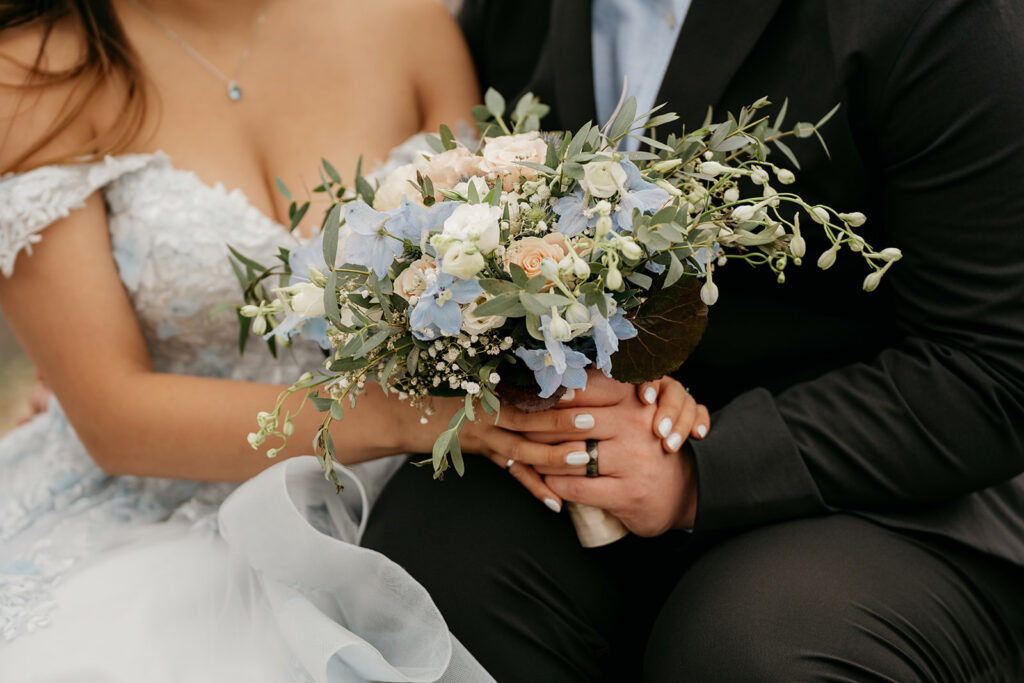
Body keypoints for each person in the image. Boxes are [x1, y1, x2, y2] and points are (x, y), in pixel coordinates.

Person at [0, 1, 710, 679]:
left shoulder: (413, 23)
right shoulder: (30, 77)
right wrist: (424, 420)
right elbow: (115, 415)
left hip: (416, 497)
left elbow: (498, 268)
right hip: (158, 513)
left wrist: (617, 379)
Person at [362, 0, 1024, 680]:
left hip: (888, 490)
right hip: (595, 469)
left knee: (749, 650)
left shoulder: (930, 18)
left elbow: (995, 369)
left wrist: (700, 472)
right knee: (423, 569)